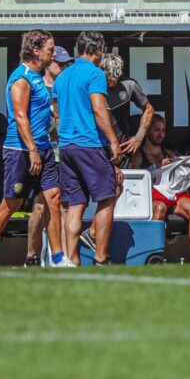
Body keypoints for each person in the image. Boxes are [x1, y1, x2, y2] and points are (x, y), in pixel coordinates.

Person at [0, 30, 69, 270]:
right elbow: (20, 117)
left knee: (53, 200)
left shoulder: (40, 76)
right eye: (50, 48)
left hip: (45, 148)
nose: (53, 52)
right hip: (20, 151)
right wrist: (32, 151)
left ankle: (59, 258)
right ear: (36, 50)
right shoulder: (21, 78)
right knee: (12, 203)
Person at [54, 31, 121, 265]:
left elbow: (57, 114)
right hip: (89, 144)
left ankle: (70, 261)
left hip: (67, 147)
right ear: (98, 51)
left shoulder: (62, 76)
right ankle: (101, 257)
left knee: (75, 204)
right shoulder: (95, 74)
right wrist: (113, 141)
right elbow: (99, 110)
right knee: (107, 199)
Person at [129, 115, 190, 265]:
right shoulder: (139, 155)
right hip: (152, 198)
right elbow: (133, 179)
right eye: (156, 130)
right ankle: (151, 256)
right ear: (147, 131)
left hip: (174, 195)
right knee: (159, 208)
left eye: (163, 130)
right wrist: (156, 166)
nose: (161, 134)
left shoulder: (170, 150)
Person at [26, 45, 73, 266]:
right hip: (41, 150)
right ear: (49, 63)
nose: (63, 67)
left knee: (60, 203)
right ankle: (32, 255)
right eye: (60, 64)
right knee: (40, 205)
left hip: (62, 150)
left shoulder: (64, 87)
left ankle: (59, 256)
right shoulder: (35, 85)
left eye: (66, 64)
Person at [100, 53, 155, 161]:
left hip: (122, 150)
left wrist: (139, 138)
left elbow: (149, 109)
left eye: (116, 78)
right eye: (109, 79)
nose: (112, 82)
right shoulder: (94, 87)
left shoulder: (129, 85)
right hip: (99, 150)